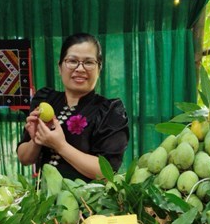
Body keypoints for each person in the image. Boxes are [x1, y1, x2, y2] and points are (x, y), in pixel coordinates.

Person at [17, 33, 129, 182]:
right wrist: (36, 140)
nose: (80, 69)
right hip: (44, 201)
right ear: (60, 67)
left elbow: (106, 171)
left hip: (88, 202)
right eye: (72, 61)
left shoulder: (110, 111)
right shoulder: (45, 100)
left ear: (99, 68)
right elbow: (24, 158)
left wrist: (60, 146)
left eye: (88, 62)